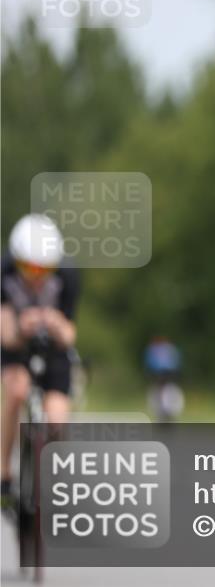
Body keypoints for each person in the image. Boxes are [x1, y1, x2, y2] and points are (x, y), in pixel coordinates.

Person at [0, 214, 80, 508]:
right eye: (28, 267)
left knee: (57, 418)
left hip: (53, 349)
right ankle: (4, 473)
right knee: (16, 392)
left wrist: (57, 325)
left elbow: (71, 334)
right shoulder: (4, 271)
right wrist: (23, 327)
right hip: (17, 348)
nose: (35, 276)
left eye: (43, 269)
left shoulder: (68, 275)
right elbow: (5, 334)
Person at [143, 336, 184, 421]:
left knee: (164, 391)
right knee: (162, 391)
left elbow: (150, 363)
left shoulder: (155, 349)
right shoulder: (168, 348)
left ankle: (166, 410)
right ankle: (164, 410)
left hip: (163, 373)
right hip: (166, 373)